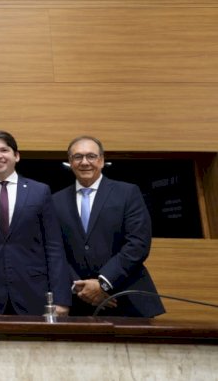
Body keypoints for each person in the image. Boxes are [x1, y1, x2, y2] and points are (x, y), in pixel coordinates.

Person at [0, 131, 70, 316]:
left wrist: (60, 298)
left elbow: (54, 246)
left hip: (33, 292)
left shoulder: (40, 192)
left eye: (4, 150)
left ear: (16, 156)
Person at [52, 135, 165, 317]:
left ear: (102, 160)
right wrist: (79, 286)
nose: (85, 162)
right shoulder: (55, 201)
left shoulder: (127, 193)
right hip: (78, 301)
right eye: (78, 157)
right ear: (70, 162)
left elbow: (138, 243)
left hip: (126, 297)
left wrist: (103, 282)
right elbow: (55, 249)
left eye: (91, 156)